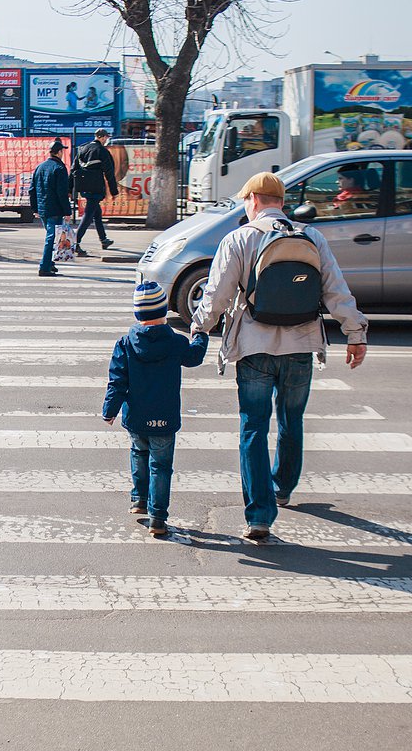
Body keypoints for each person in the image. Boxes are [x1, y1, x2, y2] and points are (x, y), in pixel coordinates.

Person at [191, 171, 368, 543]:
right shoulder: (312, 237)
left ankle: (259, 516)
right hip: (302, 344)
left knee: (253, 426)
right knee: (292, 420)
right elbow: (336, 289)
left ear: (253, 200)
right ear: (281, 202)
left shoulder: (239, 238)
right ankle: (283, 487)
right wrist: (356, 333)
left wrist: (199, 329)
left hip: (254, 347)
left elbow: (218, 294)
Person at [101, 280, 210, 538]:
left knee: (139, 453)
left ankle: (139, 499)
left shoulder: (126, 344)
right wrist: (201, 336)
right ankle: (158, 517)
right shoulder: (174, 343)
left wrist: (110, 410)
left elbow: (117, 380)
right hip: (165, 416)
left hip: (136, 416)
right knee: (161, 465)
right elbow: (194, 357)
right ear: (164, 312)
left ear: (138, 314)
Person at [30, 138, 74, 277]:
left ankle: (50, 264)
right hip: (55, 209)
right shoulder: (60, 168)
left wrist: (35, 208)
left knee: (52, 237)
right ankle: (44, 267)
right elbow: (62, 193)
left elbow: (32, 189)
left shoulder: (40, 167)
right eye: (62, 151)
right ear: (59, 152)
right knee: (51, 238)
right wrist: (67, 211)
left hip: (43, 209)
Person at [72, 129, 118, 254]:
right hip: (96, 187)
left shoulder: (82, 148)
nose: (106, 140)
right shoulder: (102, 151)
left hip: (83, 187)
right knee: (88, 215)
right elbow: (109, 172)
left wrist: (71, 189)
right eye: (106, 138)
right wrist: (114, 192)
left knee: (97, 213)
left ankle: (103, 239)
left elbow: (73, 169)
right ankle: (75, 242)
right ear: (102, 138)